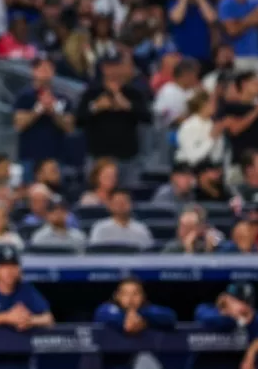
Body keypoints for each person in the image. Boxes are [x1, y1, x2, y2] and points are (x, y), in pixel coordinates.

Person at [74, 48, 150, 184]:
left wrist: (128, 106)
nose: (113, 70)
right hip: (98, 158)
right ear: (103, 68)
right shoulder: (92, 93)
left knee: (129, 197)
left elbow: (148, 118)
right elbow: (78, 120)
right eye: (109, 66)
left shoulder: (134, 93)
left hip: (128, 158)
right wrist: (95, 107)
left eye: (116, 65)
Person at [12, 56, 74, 171]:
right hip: (30, 157)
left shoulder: (62, 98)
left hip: (56, 157)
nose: (45, 71)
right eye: (41, 67)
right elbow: (19, 125)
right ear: (33, 71)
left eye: (48, 67)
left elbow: (69, 127)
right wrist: (38, 110)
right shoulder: (24, 97)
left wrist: (53, 111)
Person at [87, 189, 155, 250]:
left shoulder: (141, 229)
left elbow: (148, 252)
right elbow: (94, 252)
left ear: (131, 205)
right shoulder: (100, 228)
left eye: (124, 202)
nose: (121, 206)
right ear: (110, 206)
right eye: (117, 203)